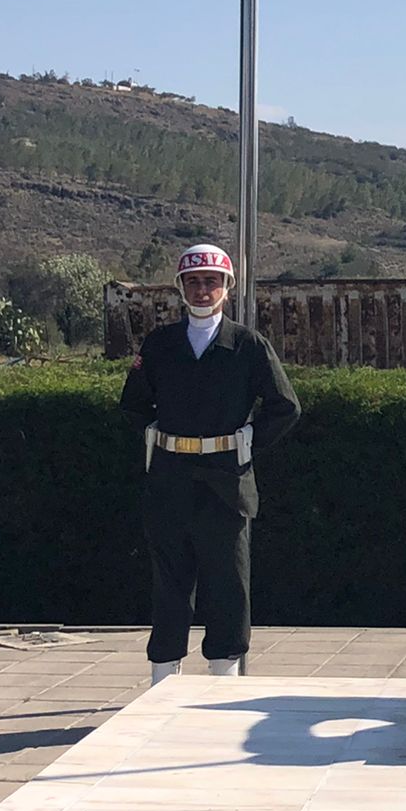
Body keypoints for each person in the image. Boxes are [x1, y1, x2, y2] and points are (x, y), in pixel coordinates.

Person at [119, 244, 299, 685]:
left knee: (228, 582)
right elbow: (133, 403)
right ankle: (163, 678)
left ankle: (224, 679)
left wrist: (248, 441)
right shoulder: (161, 344)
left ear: (227, 287)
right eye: (194, 282)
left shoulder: (248, 345)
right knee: (170, 582)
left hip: (225, 481)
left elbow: (285, 405)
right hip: (171, 478)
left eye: (212, 282)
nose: (203, 290)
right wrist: (155, 435)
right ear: (180, 287)